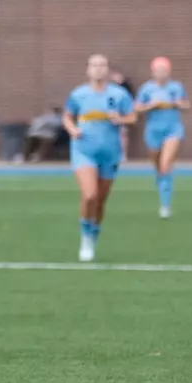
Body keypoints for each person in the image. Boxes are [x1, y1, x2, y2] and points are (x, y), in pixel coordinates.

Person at [63, 54, 136, 262]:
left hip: (110, 152)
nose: (98, 69)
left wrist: (121, 119)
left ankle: (95, 231)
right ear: (88, 70)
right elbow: (67, 116)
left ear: (107, 70)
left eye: (102, 65)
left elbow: (132, 117)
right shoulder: (78, 94)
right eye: (94, 65)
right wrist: (73, 130)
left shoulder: (119, 94)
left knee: (101, 201)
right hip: (84, 150)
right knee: (89, 195)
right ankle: (85, 237)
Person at [135, 57, 189, 219]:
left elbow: (186, 105)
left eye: (164, 70)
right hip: (153, 131)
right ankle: (163, 195)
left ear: (169, 71)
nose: (161, 73)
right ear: (153, 72)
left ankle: (165, 206)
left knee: (165, 166)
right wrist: (150, 106)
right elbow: (137, 109)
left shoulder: (176, 87)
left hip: (172, 130)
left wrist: (179, 104)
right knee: (159, 168)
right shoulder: (146, 89)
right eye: (158, 70)